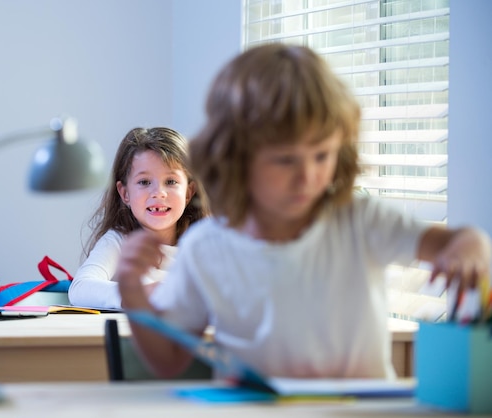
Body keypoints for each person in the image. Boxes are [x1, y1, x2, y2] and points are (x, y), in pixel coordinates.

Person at [116, 43, 492, 380]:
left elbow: (459, 240)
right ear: (235, 158)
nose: (308, 176)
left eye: (322, 155)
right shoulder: (206, 247)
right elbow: (169, 360)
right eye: (285, 160)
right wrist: (132, 289)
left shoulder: (359, 219)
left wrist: (470, 248)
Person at [68, 127, 208, 309]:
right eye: (144, 182)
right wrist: (139, 294)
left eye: (171, 182)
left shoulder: (203, 245)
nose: (159, 193)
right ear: (125, 193)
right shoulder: (118, 241)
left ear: (188, 193)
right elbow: (79, 289)